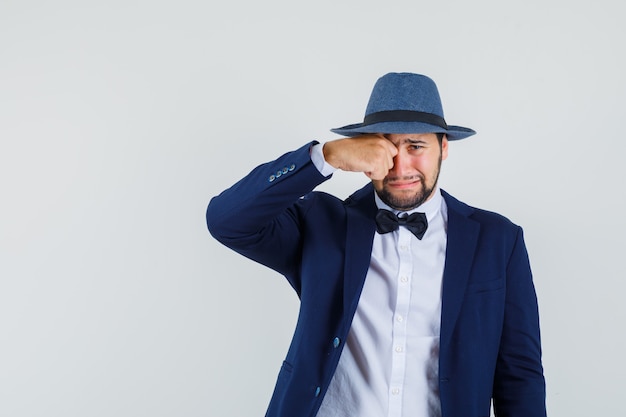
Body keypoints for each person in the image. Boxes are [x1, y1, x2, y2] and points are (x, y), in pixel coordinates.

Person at [206, 72, 546, 417]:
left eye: (416, 146)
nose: (399, 165)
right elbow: (226, 221)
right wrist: (325, 157)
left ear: (444, 147)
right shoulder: (321, 222)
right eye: (383, 147)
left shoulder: (497, 240)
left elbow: (519, 375)